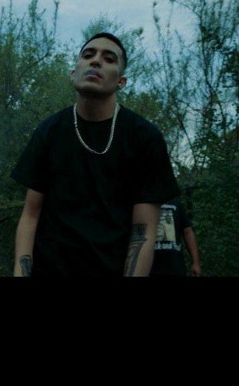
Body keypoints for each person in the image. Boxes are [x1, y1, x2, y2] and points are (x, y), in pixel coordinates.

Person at [11, 32, 180, 277]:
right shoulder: (49, 132)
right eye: (88, 55)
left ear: (121, 81)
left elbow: (142, 232)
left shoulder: (144, 137)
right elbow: (30, 215)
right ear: (74, 73)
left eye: (109, 59)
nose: (96, 61)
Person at [151, 198, 202, 277]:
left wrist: (196, 263)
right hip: (148, 266)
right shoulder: (143, 203)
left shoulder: (176, 204)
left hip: (175, 266)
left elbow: (188, 231)